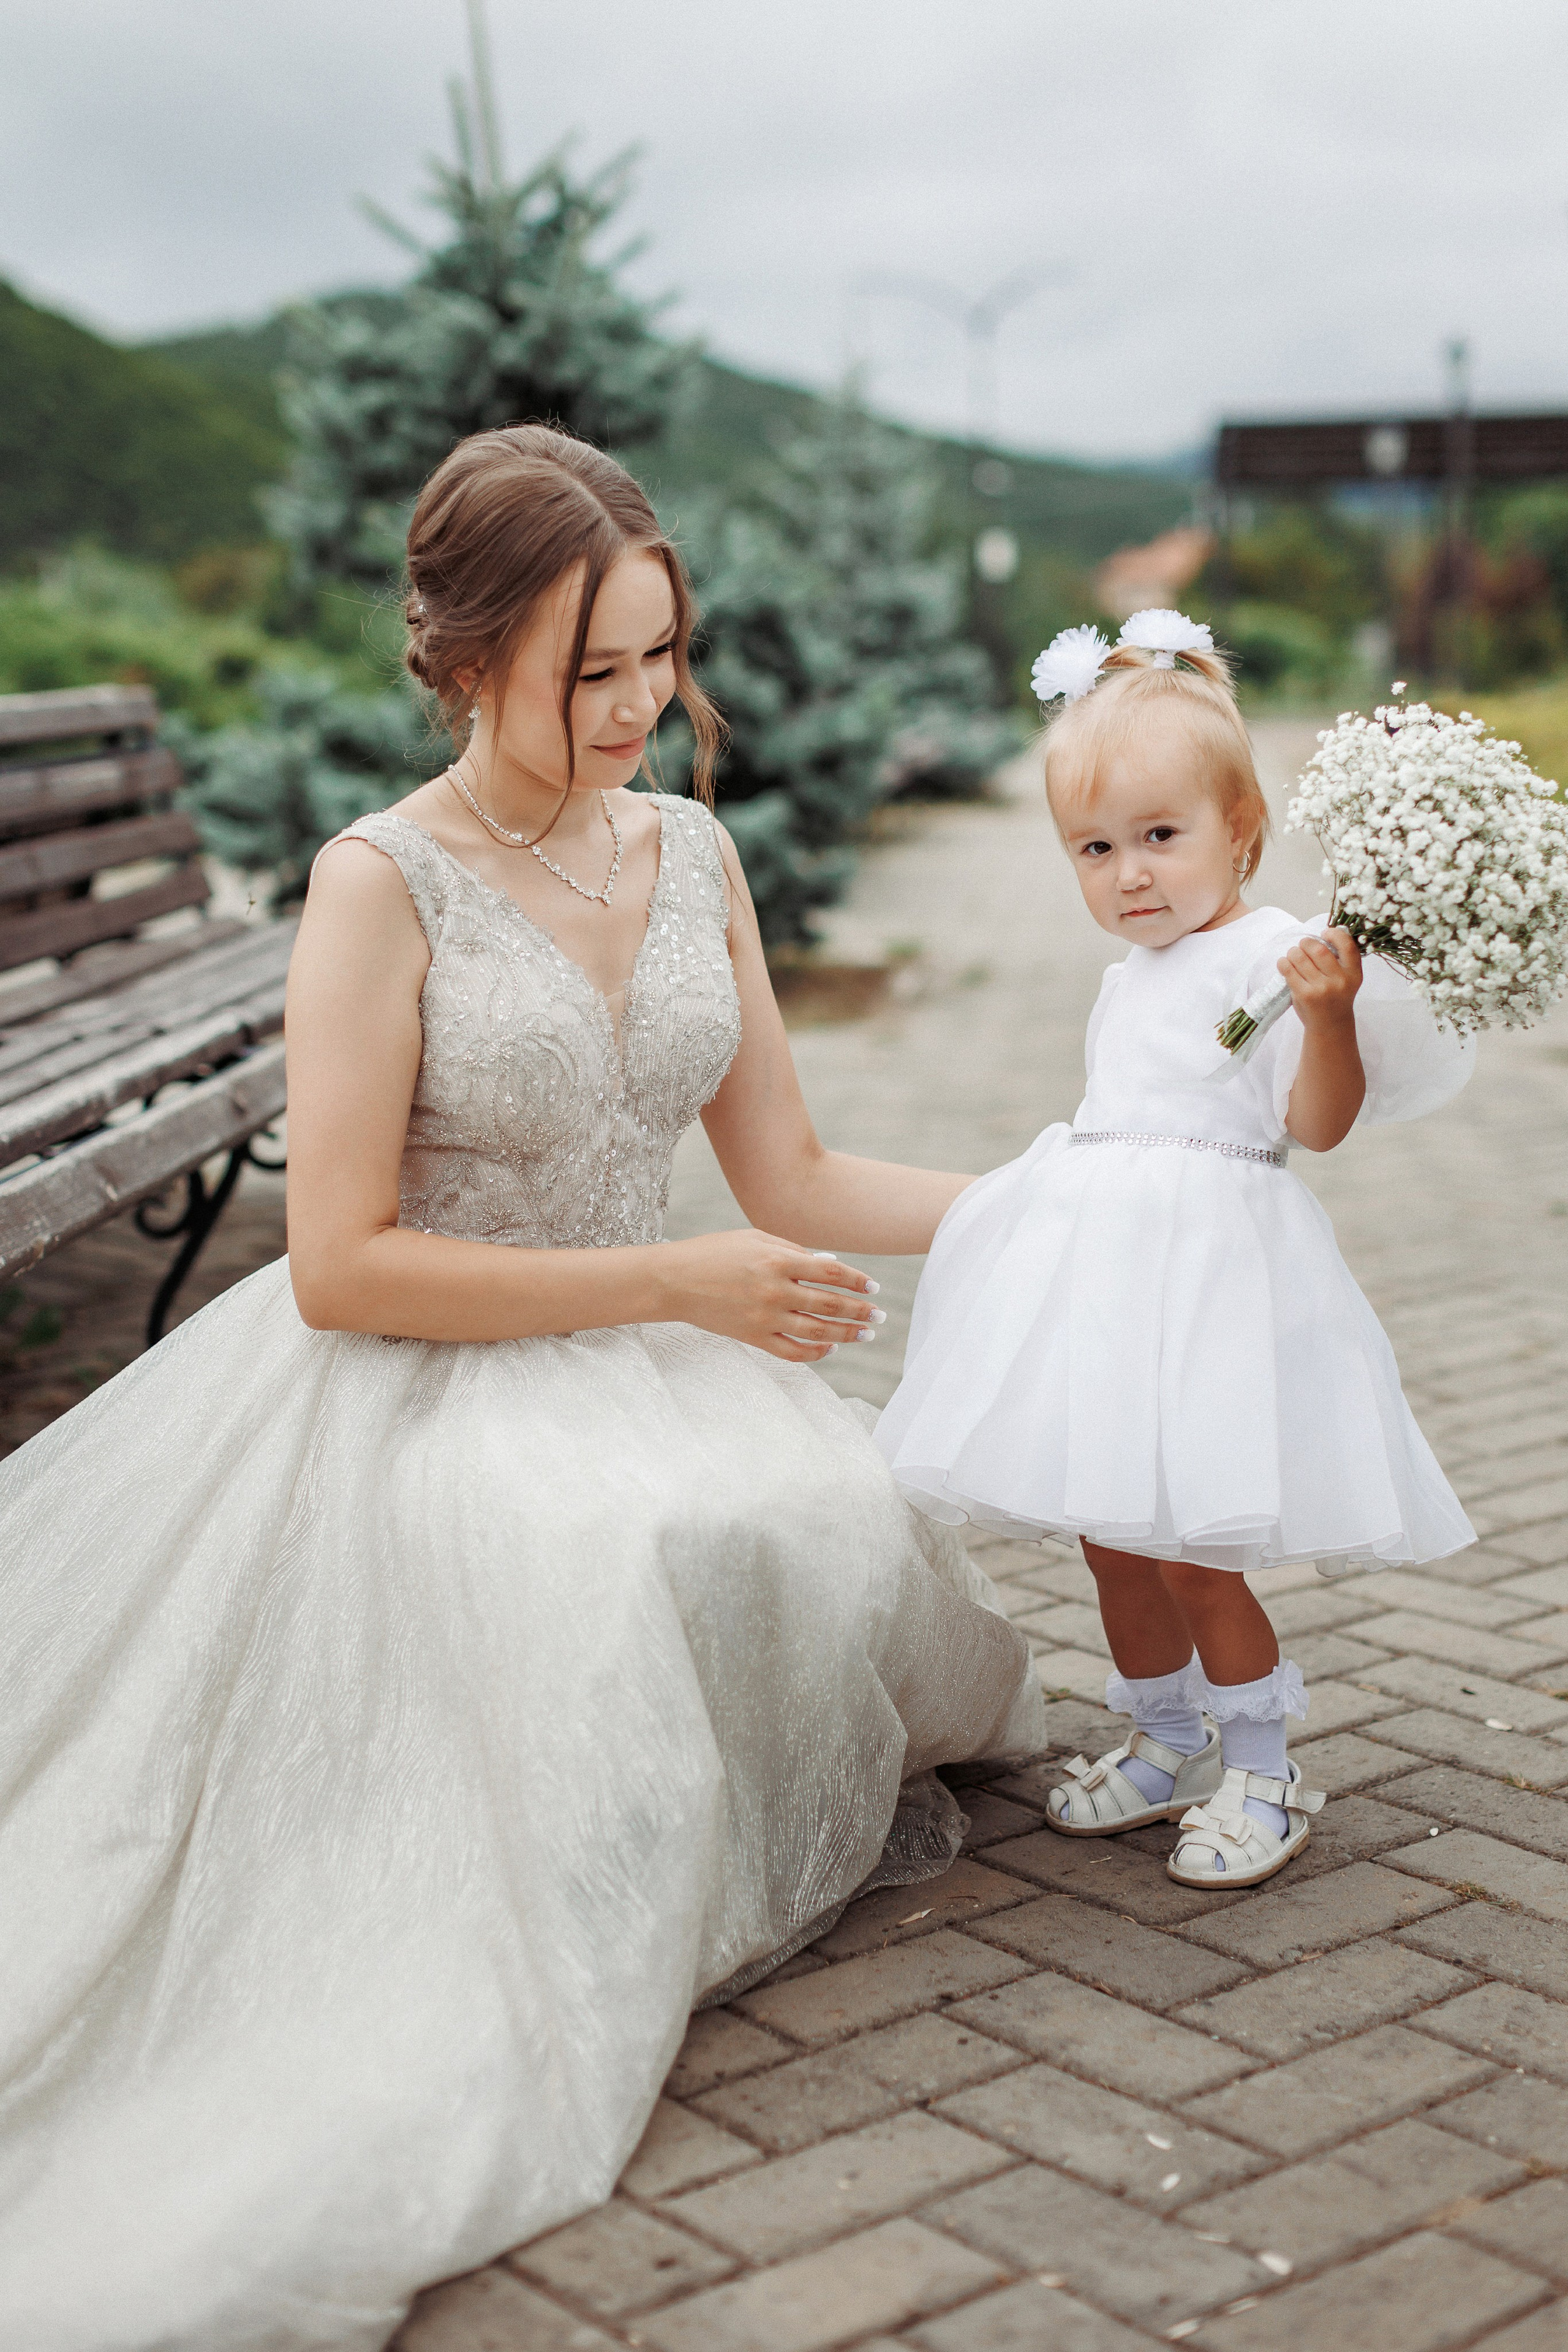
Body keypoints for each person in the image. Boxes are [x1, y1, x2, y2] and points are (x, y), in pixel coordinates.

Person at [0, 423, 1044, 2352]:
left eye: (660, 656)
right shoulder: (382, 883)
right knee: (609, 1551)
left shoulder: (694, 848)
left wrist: (1047, 1206)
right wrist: (682, 1285)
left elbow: (795, 1176)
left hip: (646, 1347)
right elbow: (338, 1263)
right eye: (591, 671)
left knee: (823, 1510)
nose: (640, 706)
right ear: (469, 656)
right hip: (423, 1367)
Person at [876, 611, 1474, 1892]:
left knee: (1198, 1549)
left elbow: (1313, 1125)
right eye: (1094, 849)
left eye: (1159, 836)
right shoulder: (1122, 979)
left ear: (1240, 829)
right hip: (1108, 1296)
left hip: (1208, 1293)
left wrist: (1326, 1019)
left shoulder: (1273, 957)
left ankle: (1263, 1766)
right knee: (1113, 1540)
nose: (1129, 875)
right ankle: (1167, 1738)